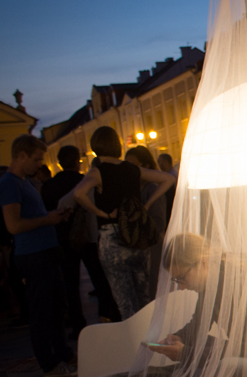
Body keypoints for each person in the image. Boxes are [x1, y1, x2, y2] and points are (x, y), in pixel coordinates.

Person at [149, 233, 247, 377]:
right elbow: (199, 325)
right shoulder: (211, 289)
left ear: (203, 263)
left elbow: (243, 348)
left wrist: (186, 353)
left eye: (182, 278)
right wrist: (178, 338)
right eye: (177, 280)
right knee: (195, 370)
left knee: (214, 370)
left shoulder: (240, 287)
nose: (181, 287)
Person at [73, 127, 174, 319]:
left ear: (95, 146)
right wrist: (147, 204)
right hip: (137, 235)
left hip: (112, 237)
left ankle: (134, 343)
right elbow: (167, 179)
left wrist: (100, 212)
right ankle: (150, 340)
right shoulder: (132, 169)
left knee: (125, 301)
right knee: (143, 296)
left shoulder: (98, 172)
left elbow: (78, 194)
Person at [0, 135, 75, 375]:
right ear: (21, 155)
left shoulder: (24, 181)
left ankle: (62, 354)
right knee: (42, 310)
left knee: (55, 306)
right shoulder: (10, 183)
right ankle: (49, 362)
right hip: (33, 254)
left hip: (45, 250)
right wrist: (47, 219)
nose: (39, 164)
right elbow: (13, 225)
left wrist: (53, 216)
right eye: (36, 159)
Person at [41, 145, 119, 334]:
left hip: (63, 239)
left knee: (70, 284)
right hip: (87, 236)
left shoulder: (49, 186)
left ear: (59, 163)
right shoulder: (85, 180)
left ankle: (77, 324)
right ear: (77, 161)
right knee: (98, 278)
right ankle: (107, 315)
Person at [125, 146, 168, 300]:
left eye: (133, 165)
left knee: (153, 290)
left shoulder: (152, 189)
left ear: (146, 167)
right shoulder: (135, 188)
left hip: (153, 248)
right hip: (143, 248)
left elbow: (159, 222)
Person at [157, 152, 177, 217]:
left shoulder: (172, 175)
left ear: (166, 162)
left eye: (160, 162)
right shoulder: (171, 173)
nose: (159, 165)